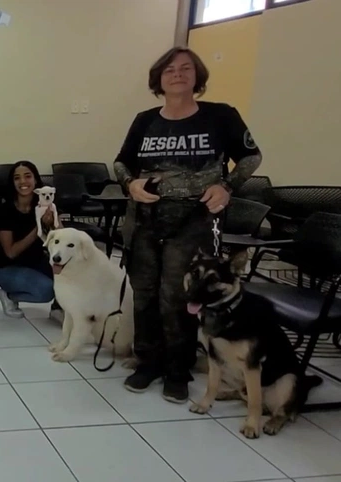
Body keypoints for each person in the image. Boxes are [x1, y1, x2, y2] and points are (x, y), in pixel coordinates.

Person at [114, 46, 262, 403]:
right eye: (169, 70)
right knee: (146, 293)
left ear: (197, 77)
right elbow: (121, 163)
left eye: (185, 68)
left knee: (179, 296)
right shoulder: (145, 120)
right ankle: (147, 362)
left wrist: (227, 187)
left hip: (195, 220)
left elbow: (251, 156)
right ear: (158, 79)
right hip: (146, 220)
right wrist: (130, 184)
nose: (177, 74)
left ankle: (177, 370)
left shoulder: (220, 116)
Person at [0, 161, 56, 317]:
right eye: (17, 178)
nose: (23, 182)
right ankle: (9, 296)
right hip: (8, 268)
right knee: (47, 291)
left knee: (70, 274)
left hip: (37, 263)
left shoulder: (45, 205)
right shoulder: (4, 211)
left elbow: (60, 238)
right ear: (12, 183)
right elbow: (11, 252)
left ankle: (59, 310)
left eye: (28, 176)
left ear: (36, 180)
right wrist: (38, 228)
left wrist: (53, 222)